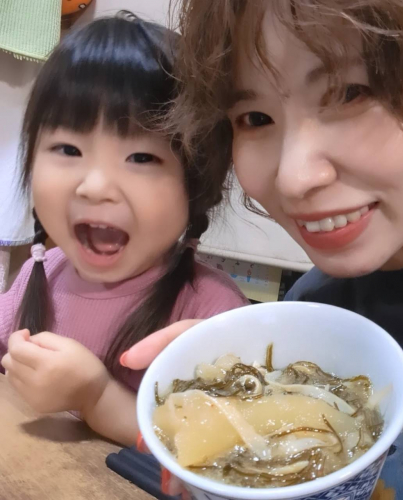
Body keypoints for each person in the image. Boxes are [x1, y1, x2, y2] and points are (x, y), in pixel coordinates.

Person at [122, 1, 403, 497]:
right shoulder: (311, 309)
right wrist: (240, 416)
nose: (294, 177)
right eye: (255, 118)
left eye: (351, 93)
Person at [0, 13, 248, 447]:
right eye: (67, 149)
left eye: (141, 158)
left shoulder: (211, 310)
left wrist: (96, 397)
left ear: (196, 185)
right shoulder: (44, 270)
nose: (94, 187)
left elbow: (219, 449)